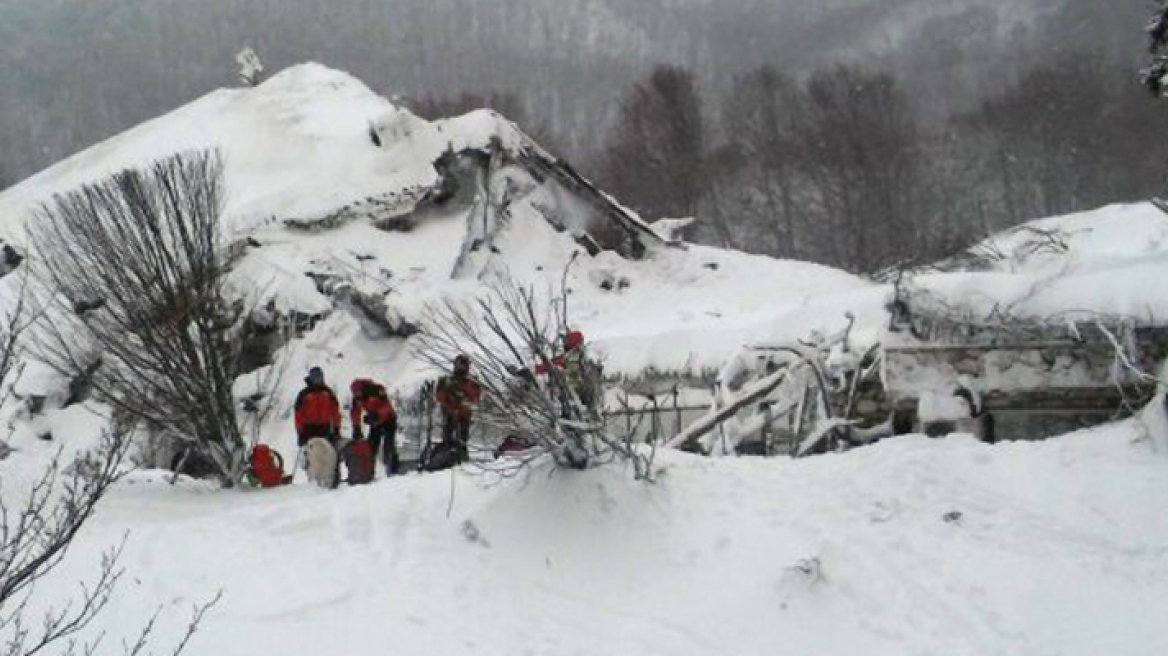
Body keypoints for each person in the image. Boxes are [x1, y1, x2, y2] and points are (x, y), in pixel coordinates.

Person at [434, 354, 482, 464]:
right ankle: (446, 459)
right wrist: (449, 394)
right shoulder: (445, 380)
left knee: (463, 439)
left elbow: (475, 397)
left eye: (463, 365)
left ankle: (462, 458)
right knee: (447, 439)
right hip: (449, 414)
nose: (461, 367)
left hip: (464, 415)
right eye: (458, 365)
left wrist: (462, 395)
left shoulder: (472, 381)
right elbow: (439, 396)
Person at [350, 378, 399, 475]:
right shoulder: (357, 398)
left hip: (389, 419)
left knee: (388, 445)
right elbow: (355, 412)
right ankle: (368, 471)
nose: (357, 395)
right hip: (375, 422)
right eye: (355, 394)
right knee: (371, 446)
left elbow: (387, 407)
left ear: (362, 389)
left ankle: (393, 469)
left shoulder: (376, 390)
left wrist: (377, 416)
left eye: (358, 393)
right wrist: (356, 427)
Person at [294, 366, 342, 448]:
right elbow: (298, 414)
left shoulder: (328, 392)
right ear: (311, 378)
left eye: (320, 377)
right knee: (311, 453)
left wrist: (336, 428)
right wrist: (300, 432)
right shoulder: (304, 394)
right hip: (308, 428)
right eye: (316, 378)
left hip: (324, 427)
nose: (318, 380)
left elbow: (335, 411)